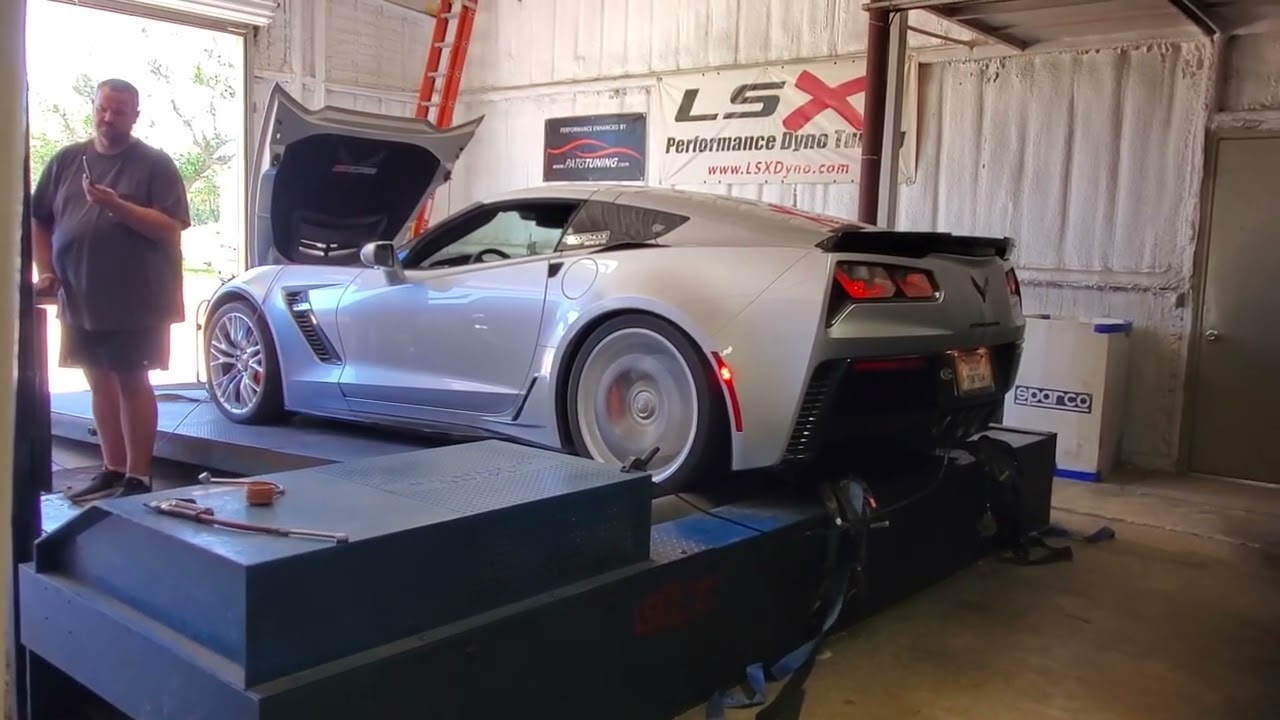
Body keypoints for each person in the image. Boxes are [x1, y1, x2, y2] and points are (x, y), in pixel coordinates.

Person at [31, 78, 191, 502]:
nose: (108, 118)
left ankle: (138, 477)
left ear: (135, 116)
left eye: (118, 112)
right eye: (102, 108)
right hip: (81, 294)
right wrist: (46, 270)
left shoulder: (155, 164)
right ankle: (112, 467)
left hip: (137, 299)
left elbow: (171, 228)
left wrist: (115, 205)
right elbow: (40, 219)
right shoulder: (66, 160)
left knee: (131, 380)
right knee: (97, 379)